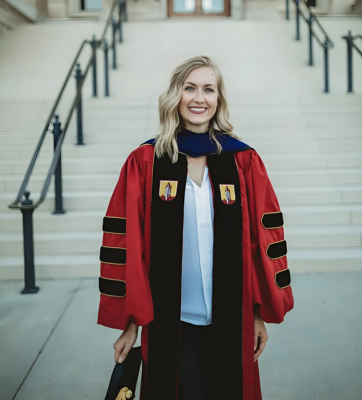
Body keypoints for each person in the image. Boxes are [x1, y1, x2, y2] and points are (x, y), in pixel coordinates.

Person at [97, 55, 294, 400]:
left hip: (231, 319)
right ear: (176, 95)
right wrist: (131, 324)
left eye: (208, 89)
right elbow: (127, 244)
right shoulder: (145, 163)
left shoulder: (243, 162)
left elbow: (262, 243)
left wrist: (259, 314)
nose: (199, 98)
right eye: (189, 88)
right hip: (169, 321)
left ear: (219, 99)